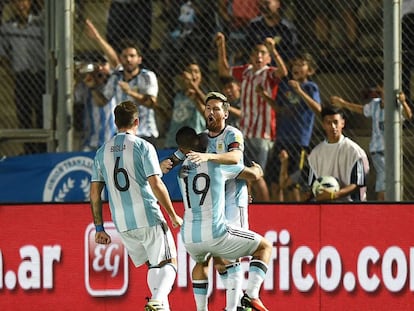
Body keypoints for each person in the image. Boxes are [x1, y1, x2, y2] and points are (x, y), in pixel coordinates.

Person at [89, 100, 183, 311]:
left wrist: (99, 227)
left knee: (153, 264)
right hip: (147, 216)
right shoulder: (142, 146)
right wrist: (173, 215)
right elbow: (156, 183)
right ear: (137, 121)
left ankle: (159, 305)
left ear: (115, 122)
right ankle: (157, 299)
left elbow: (95, 192)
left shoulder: (101, 152)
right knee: (169, 262)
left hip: (123, 223)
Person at [175, 126, 272, 311]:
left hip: (189, 236)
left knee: (201, 263)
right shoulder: (217, 164)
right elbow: (252, 175)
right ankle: (249, 297)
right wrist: (257, 169)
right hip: (214, 231)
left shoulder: (182, 171)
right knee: (264, 247)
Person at [216, 31, 288, 201]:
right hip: (245, 131)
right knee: (245, 172)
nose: (259, 56)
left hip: (263, 133)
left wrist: (273, 49)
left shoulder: (269, 73)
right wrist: (221, 47)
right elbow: (224, 71)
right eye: (256, 52)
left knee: (258, 173)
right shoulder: (246, 71)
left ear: (268, 58)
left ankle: (266, 208)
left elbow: (283, 72)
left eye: (263, 53)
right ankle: (248, 205)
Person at [330, 86, 412, 201]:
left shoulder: (396, 105)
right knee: (384, 177)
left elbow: (408, 115)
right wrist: (344, 104)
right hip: (378, 149)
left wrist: (403, 102)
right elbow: (362, 110)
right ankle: (384, 204)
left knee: (391, 179)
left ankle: (388, 203)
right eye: (382, 90)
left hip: (393, 150)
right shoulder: (375, 104)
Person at [265, 52, 321, 201]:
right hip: (282, 138)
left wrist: (300, 91)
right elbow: (280, 109)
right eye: (295, 64)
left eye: (301, 65)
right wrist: (264, 96)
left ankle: (295, 215)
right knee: (275, 182)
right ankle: (277, 213)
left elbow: (318, 109)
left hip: (298, 141)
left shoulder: (310, 87)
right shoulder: (287, 86)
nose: (296, 67)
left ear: (310, 70)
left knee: (292, 183)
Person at [0, 0, 45, 154]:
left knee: (41, 115)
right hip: (21, 76)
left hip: (40, 75)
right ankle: (28, 151)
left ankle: (42, 150)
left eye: (24, 1)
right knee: (24, 115)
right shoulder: (7, 27)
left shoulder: (40, 24)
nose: (21, 5)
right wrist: (10, 69)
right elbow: (3, 54)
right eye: (17, 1)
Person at [97, 39, 160, 146]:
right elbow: (102, 101)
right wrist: (93, 87)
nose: (128, 59)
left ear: (139, 59)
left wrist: (130, 92)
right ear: (121, 59)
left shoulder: (147, 76)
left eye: (132, 56)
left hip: (145, 134)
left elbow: (151, 103)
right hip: (123, 135)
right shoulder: (116, 77)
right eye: (125, 56)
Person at [307, 106, 370, 202]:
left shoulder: (354, 151)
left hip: (351, 206)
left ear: (342, 123)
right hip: (325, 206)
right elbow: (313, 184)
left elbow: (358, 183)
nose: (333, 126)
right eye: (328, 123)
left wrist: (334, 195)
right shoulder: (315, 153)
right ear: (323, 125)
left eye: (335, 122)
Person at [164, 58, 207, 148]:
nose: (193, 75)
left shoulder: (203, 95)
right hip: (174, 142)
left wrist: (192, 84)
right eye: (190, 72)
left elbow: (207, 108)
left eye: (196, 72)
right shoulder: (177, 95)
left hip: (194, 143)